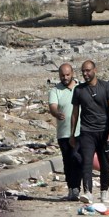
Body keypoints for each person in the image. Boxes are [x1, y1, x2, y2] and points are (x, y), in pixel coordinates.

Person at [70, 60, 109, 204]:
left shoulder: (106, 87)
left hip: (103, 131)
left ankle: (104, 191)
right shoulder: (79, 90)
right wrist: (72, 134)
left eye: (88, 70)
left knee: (105, 164)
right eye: (83, 71)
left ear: (95, 70)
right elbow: (74, 113)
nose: (85, 74)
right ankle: (88, 192)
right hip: (87, 132)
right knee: (86, 162)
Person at [48, 63, 82, 201]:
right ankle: (71, 188)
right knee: (68, 162)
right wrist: (57, 113)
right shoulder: (55, 90)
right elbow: (52, 107)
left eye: (68, 75)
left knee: (78, 158)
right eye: (62, 75)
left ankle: (77, 187)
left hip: (80, 132)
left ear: (72, 73)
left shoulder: (80, 88)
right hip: (64, 133)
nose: (65, 77)